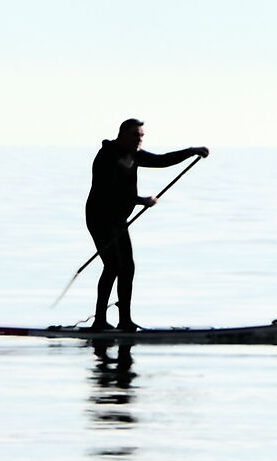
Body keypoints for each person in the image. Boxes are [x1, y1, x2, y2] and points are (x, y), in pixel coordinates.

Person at [85, 119, 208, 332]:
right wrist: (140, 200)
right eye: (135, 135)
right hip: (100, 217)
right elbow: (110, 191)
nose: (139, 139)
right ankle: (99, 321)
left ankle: (125, 321)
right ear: (122, 134)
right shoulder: (107, 155)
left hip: (118, 220)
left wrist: (191, 151)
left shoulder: (134, 155)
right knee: (112, 265)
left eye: (141, 136)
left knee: (128, 268)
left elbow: (162, 160)